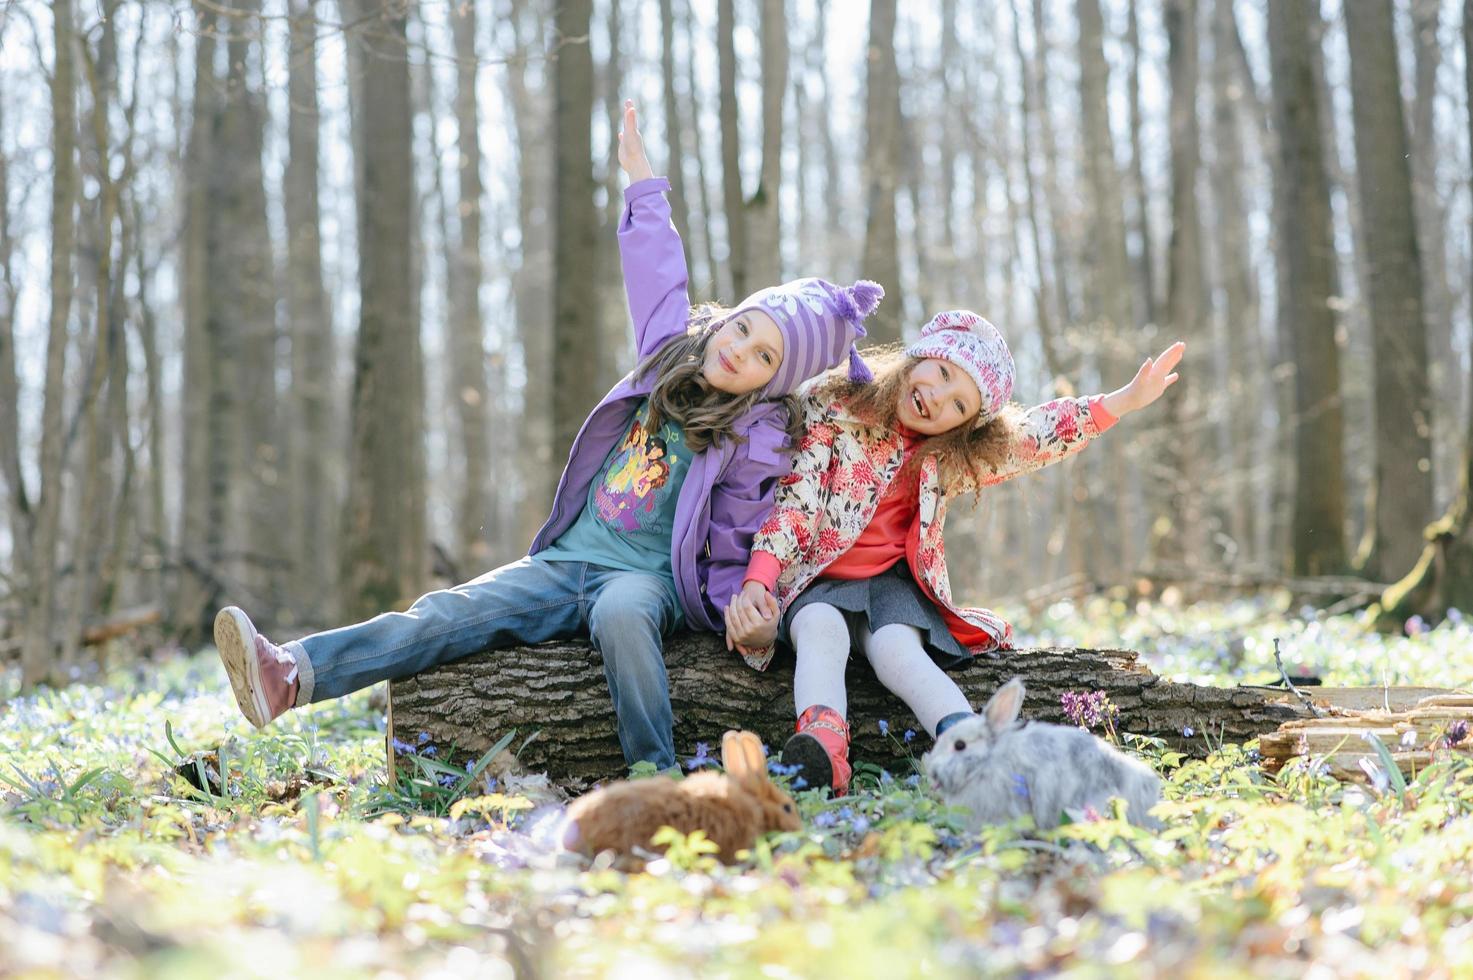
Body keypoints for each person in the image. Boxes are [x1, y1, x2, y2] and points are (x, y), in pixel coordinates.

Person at [213, 101, 882, 773]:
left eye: (765, 356)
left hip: (645, 582)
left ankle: (654, 779)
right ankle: (292, 674)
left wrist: (748, 618)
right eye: (744, 327)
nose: (741, 351)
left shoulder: (753, 439)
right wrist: (642, 184)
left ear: (773, 383)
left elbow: (738, 540)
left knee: (622, 620)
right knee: (448, 611)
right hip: (562, 563)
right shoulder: (666, 357)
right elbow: (655, 274)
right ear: (727, 320)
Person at [724, 310, 1185, 793]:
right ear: (918, 356)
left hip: (888, 588)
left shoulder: (944, 457)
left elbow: (1031, 437)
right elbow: (797, 501)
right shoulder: (840, 409)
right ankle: (823, 752)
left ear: (965, 425)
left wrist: (1122, 403)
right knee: (820, 631)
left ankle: (974, 750)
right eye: (941, 372)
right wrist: (761, 576)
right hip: (817, 580)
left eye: (958, 403)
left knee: (897, 651)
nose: (936, 398)